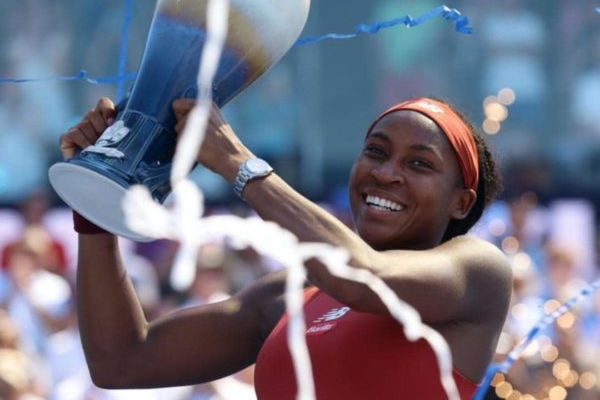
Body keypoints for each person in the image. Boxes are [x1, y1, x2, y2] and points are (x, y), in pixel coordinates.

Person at [58, 95, 512, 399]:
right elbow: (121, 361)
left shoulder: (478, 270)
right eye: (375, 151)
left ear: (461, 202)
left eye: (418, 163)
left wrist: (238, 163)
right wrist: (96, 201)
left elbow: (363, 276)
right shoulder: (289, 295)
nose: (386, 173)